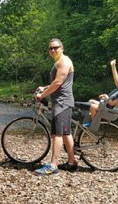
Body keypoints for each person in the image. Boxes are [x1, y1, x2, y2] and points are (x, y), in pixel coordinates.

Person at [34, 38, 77, 176]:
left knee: (57, 134)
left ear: (62, 48)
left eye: (55, 47)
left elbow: (58, 82)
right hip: (62, 102)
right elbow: (58, 82)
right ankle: (71, 162)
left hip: (62, 102)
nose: (52, 50)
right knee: (65, 133)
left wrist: (42, 95)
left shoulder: (63, 61)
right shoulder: (59, 62)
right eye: (50, 48)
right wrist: (45, 87)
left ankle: (53, 165)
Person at [84, 59, 118, 128]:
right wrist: (113, 66)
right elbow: (116, 78)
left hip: (110, 112)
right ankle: (91, 120)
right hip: (106, 108)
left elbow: (112, 103)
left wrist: (106, 97)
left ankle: (94, 125)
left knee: (92, 107)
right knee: (91, 101)